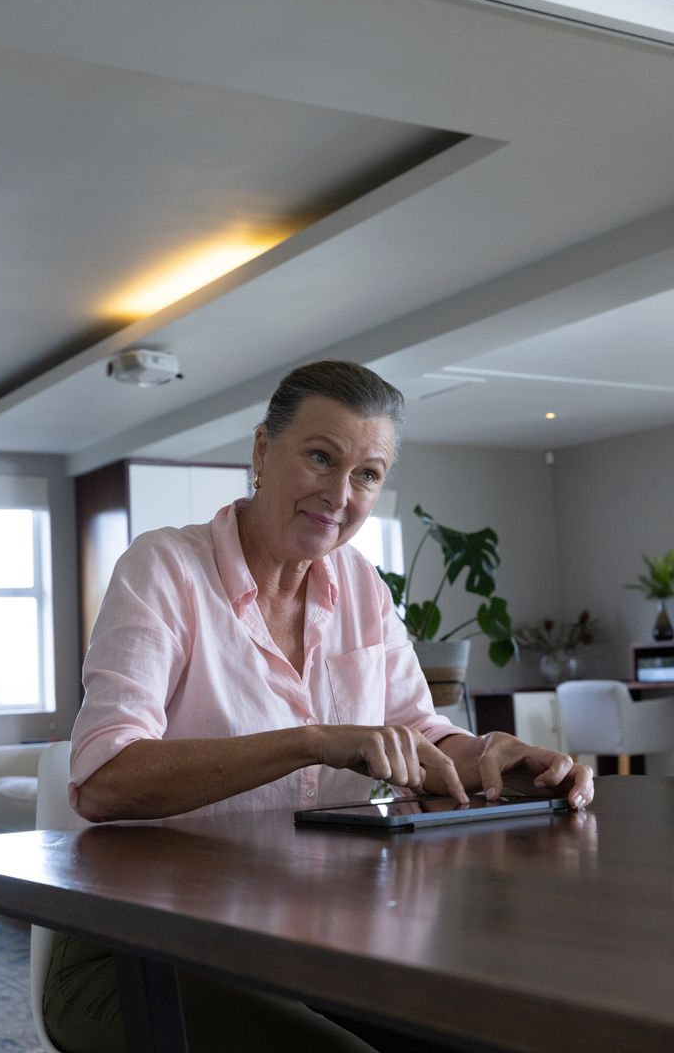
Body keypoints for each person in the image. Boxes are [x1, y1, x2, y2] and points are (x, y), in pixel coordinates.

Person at [44, 359, 594, 1053]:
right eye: (320, 457)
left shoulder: (361, 586)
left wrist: (496, 761)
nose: (340, 493)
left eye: (366, 474)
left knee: (493, 1036)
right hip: (137, 946)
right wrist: (309, 740)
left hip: (315, 936)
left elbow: (417, 733)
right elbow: (102, 781)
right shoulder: (164, 570)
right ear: (262, 452)